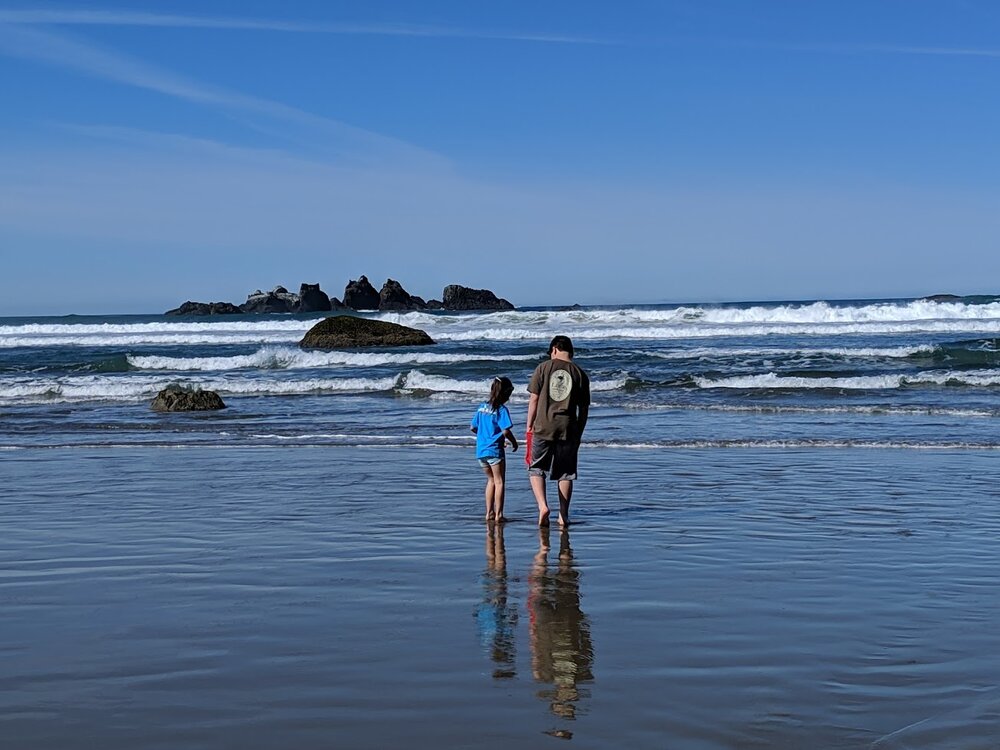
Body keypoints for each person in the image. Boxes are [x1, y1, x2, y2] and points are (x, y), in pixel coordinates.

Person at [526, 336, 590, 527]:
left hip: (543, 425)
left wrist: (529, 425)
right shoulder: (580, 374)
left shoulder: (543, 368)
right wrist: (579, 430)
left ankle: (543, 506)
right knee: (566, 473)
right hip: (568, 428)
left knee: (536, 468)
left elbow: (534, 400)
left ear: (554, 349)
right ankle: (563, 514)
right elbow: (584, 409)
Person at [470, 376, 518, 523]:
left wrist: (484, 437)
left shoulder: (482, 407)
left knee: (490, 480)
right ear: (506, 394)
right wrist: (514, 442)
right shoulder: (501, 410)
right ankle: (499, 514)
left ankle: (488, 512)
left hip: (481, 450)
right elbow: (505, 431)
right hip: (494, 450)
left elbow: (473, 427)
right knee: (499, 482)